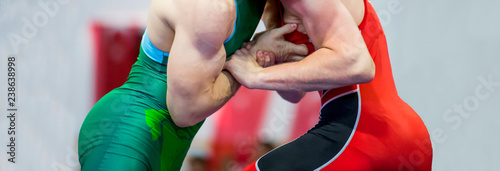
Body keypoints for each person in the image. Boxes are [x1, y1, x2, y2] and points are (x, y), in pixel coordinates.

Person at [77, 0, 308, 170]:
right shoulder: (209, 8)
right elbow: (185, 111)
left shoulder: (266, 4)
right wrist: (252, 57)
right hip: (131, 129)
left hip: (172, 141)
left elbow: (294, 91)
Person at [226, 0, 433, 170]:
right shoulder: (274, 8)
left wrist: (257, 76)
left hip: (361, 134)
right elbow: (295, 94)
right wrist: (273, 61)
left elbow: (359, 64)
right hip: (390, 133)